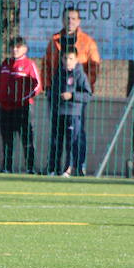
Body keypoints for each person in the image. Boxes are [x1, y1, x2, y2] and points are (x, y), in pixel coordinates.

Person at [0, 36, 41, 173]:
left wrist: (23, 99)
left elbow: (37, 86)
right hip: (5, 107)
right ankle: (7, 167)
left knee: (26, 139)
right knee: (7, 140)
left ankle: (30, 168)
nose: (15, 49)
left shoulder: (29, 64)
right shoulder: (5, 63)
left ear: (25, 49)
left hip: (22, 108)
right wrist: (0, 96)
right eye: (12, 47)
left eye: (18, 47)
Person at [46, 46, 93, 176]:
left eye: (71, 58)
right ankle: (53, 168)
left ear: (76, 59)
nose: (67, 61)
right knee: (56, 142)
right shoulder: (58, 73)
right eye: (65, 58)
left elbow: (88, 95)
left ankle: (69, 168)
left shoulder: (80, 74)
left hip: (73, 114)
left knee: (71, 143)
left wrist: (72, 96)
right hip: (58, 113)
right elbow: (53, 91)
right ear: (61, 59)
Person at [41, 6, 102, 96]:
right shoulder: (54, 40)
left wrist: (83, 87)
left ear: (78, 21)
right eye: (67, 18)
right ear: (63, 20)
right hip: (56, 91)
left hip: (77, 94)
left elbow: (94, 67)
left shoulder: (88, 42)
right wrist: (47, 86)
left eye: (73, 18)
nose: (70, 21)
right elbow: (46, 65)